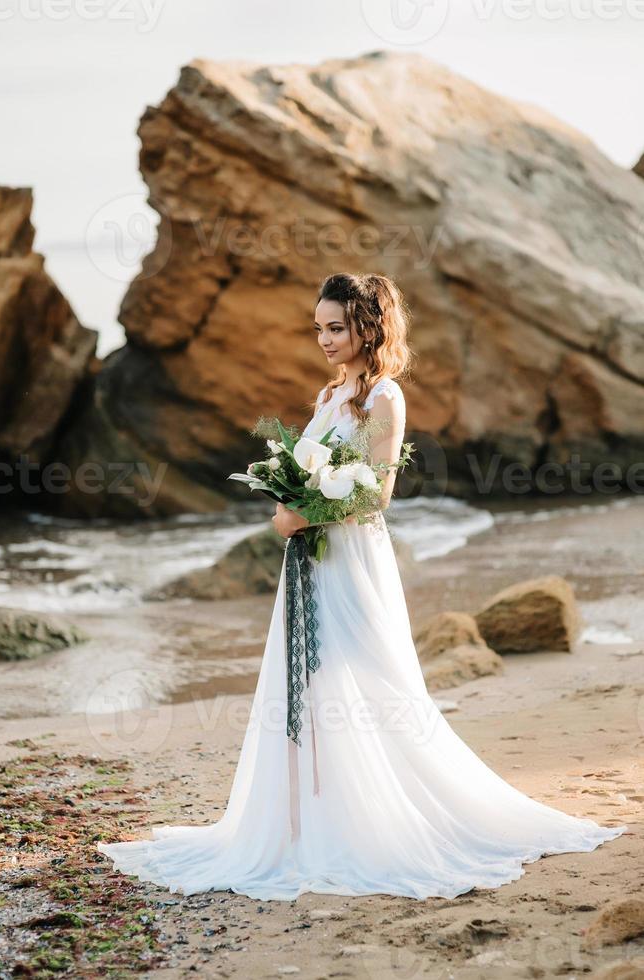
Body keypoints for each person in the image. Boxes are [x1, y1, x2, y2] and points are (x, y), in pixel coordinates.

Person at [97, 272, 627, 900]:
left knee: (365, 679)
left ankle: (366, 824)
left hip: (351, 559)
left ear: (367, 328)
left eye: (336, 327)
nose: (323, 339)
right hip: (314, 562)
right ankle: (307, 821)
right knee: (312, 684)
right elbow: (314, 469)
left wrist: (300, 514)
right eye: (318, 327)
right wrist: (287, 492)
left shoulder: (384, 399)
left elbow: (376, 492)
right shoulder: (331, 392)